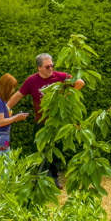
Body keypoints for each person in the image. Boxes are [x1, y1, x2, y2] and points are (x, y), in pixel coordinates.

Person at [12, 52, 85, 183]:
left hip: (57, 122)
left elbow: (80, 82)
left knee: (56, 150)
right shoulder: (31, 81)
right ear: (39, 68)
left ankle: (54, 179)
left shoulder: (61, 77)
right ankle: (41, 179)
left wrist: (68, 96)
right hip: (41, 122)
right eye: (47, 67)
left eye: (52, 65)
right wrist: (5, 108)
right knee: (39, 150)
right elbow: (18, 95)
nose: (51, 68)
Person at [0, 72, 28, 152]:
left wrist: (16, 117)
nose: (13, 91)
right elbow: (1, 122)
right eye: (12, 88)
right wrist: (16, 117)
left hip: (0, 137)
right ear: (6, 88)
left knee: (7, 162)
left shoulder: (1, 100)